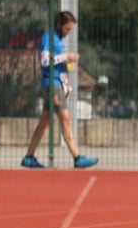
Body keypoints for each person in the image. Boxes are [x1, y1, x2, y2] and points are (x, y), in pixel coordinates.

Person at [21, 10, 98, 169]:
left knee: (44, 123)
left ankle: (29, 157)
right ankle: (77, 157)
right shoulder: (48, 38)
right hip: (51, 84)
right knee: (65, 118)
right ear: (60, 25)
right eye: (67, 29)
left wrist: (66, 82)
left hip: (57, 83)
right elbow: (44, 61)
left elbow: (58, 64)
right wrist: (66, 56)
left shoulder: (57, 40)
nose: (68, 32)